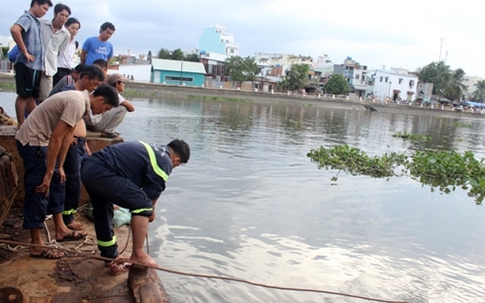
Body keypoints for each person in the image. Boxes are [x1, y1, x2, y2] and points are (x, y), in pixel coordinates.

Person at [16, 84, 119, 259]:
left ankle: (61, 229)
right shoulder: (77, 102)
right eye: (105, 108)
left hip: (43, 142)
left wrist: (60, 167)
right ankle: (36, 245)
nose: (103, 112)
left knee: (58, 180)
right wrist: (48, 172)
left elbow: (67, 136)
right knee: (39, 189)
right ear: (100, 99)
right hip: (33, 142)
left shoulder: (82, 106)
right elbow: (57, 136)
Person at [81, 139, 190, 274]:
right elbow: (150, 197)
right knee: (142, 204)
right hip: (103, 173)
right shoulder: (165, 161)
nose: (174, 168)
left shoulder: (153, 148)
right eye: (177, 165)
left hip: (89, 168)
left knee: (103, 211)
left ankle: (110, 257)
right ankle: (138, 254)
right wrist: (150, 211)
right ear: (176, 160)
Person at [49, 65, 106, 230]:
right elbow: (59, 115)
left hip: (79, 141)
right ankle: (66, 217)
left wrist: (84, 141)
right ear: (84, 78)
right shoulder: (69, 93)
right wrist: (69, 135)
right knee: (70, 178)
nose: (94, 88)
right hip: (71, 141)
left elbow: (77, 119)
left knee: (75, 177)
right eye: (94, 84)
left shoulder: (82, 95)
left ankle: (68, 214)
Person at [10, 0, 53, 129]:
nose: (45, 12)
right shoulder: (27, 18)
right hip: (27, 64)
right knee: (24, 95)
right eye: (44, 9)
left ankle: (32, 123)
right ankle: (21, 124)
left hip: (36, 66)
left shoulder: (36, 22)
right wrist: (25, 51)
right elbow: (14, 30)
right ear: (35, 5)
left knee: (32, 97)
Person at [38, 3, 70, 102]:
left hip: (49, 68)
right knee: (28, 95)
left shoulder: (66, 34)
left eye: (66, 16)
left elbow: (59, 51)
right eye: (61, 15)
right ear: (55, 14)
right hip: (35, 64)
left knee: (45, 98)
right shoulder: (41, 24)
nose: (63, 18)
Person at [87, 73, 135, 138]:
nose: (124, 85)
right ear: (117, 84)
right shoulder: (112, 93)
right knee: (123, 108)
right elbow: (131, 108)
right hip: (96, 124)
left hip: (90, 122)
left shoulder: (104, 89)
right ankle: (108, 131)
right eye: (123, 83)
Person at [53, 17, 81, 86]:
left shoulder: (75, 43)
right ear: (66, 27)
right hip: (59, 68)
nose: (75, 31)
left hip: (69, 69)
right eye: (73, 28)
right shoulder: (59, 39)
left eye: (77, 29)